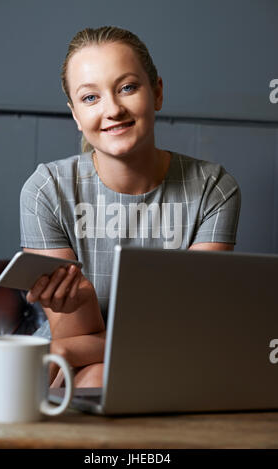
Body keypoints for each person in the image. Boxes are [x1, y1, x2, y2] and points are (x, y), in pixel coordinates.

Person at [20, 26, 241, 388]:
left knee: (102, 377)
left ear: (157, 92)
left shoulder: (212, 188)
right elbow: (69, 333)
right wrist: (82, 303)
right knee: (97, 378)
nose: (113, 109)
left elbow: (186, 326)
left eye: (127, 87)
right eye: (90, 98)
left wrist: (73, 350)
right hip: (63, 364)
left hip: (164, 356)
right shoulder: (47, 190)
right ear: (75, 114)